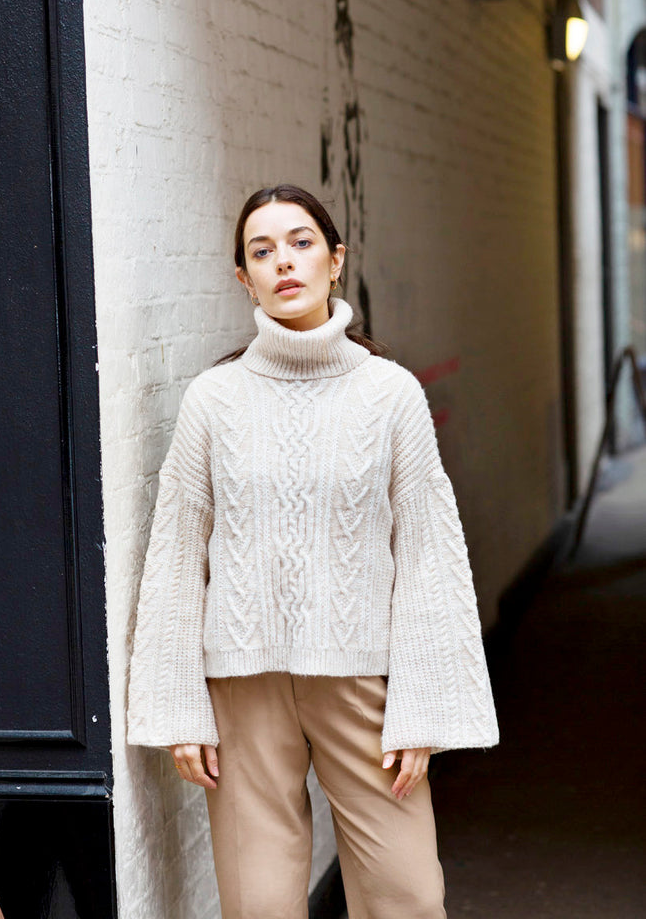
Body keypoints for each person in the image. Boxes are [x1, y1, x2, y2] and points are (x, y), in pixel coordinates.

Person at [127, 184, 499, 918]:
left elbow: (427, 552)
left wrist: (420, 709)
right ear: (244, 279)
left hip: (362, 681)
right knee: (258, 902)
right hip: (242, 685)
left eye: (300, 243)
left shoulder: (389, 395)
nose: (283, 262)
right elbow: (175, 553)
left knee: (409, 896)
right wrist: (178, 710)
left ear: (334, 260)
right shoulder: (213, 399)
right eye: (261, 251)